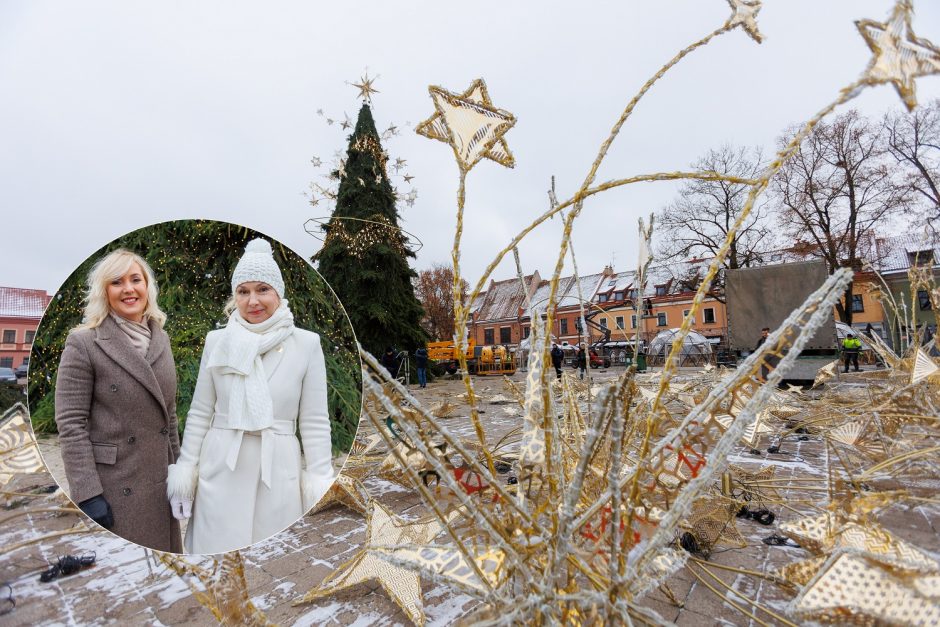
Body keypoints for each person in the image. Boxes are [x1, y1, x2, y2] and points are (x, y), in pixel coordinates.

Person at [166, 239, 333, 554]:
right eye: (243, 291)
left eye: (262, 289)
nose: (253, 300)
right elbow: (200, 412)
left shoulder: (306, 344)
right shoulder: (217, 342)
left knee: (275, 565)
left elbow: (314, 421)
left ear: (278, 293)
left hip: (278, 472)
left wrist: (320, 481)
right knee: (216, 564)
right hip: (221, 469)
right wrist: (186, 473)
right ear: (234, 297)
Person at [55, 249, 182, 552]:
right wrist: (87, 493)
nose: (128, 289)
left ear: (147, 287)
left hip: (160, 482)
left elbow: (170, 415)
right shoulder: (84, 342)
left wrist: (179, 474)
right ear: (105, 292)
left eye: (135, 279)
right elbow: (71, 423)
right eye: (117, 282)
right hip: (114, 487)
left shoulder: (161, 338)